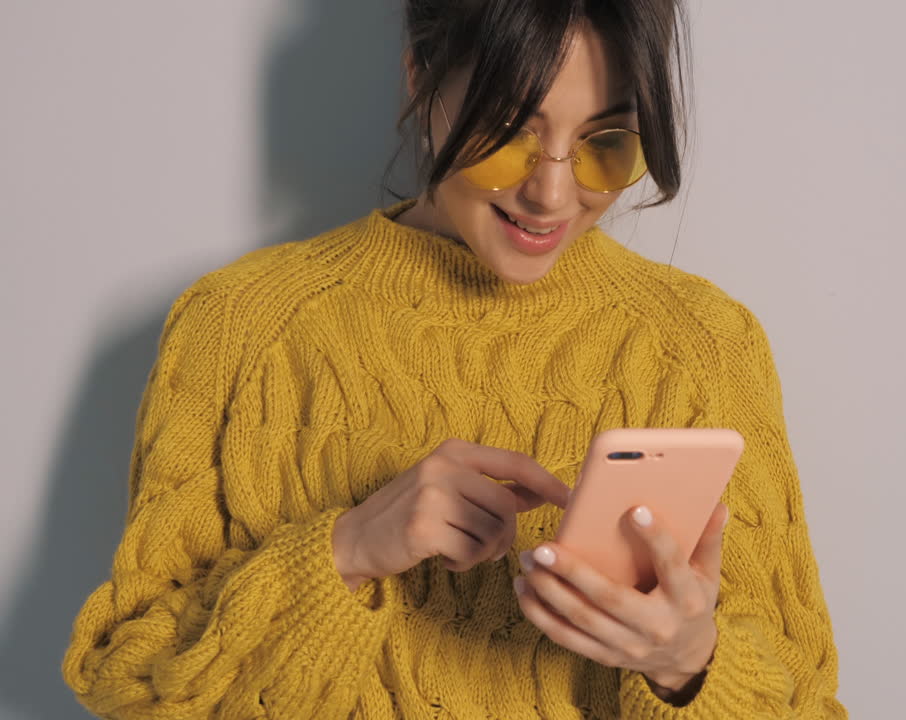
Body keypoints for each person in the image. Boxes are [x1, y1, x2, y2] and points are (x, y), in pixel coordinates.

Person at [61, 1, 847, 717]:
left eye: (606, 144)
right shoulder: (240, 325)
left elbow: (806, 701)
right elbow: (133, 687)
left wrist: (686, 666)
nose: (551, 194)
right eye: (508, 132)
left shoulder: (703, 345)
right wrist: (348, 551)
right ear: (420, 80)